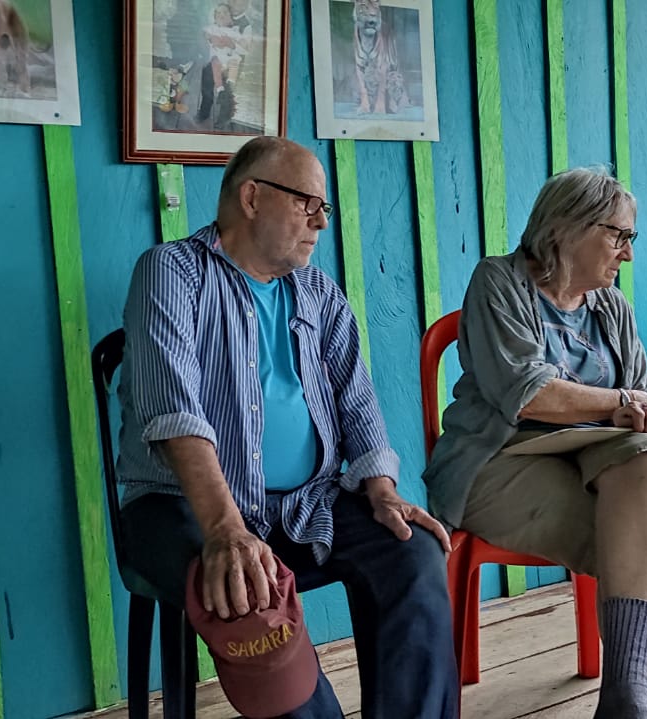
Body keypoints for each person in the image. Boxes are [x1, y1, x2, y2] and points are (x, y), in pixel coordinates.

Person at [114, 136, 459, 718]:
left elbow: (358, 405)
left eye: (325, 208)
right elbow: (173, 413)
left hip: (305, 503)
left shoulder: (319, 293)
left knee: (411, 550)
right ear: (252, 197)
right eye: (308, 204)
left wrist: (382, 491)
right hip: (183, 506)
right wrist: (226, 528)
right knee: (245, 587)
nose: (321, 222)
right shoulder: (172, 272)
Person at [424, 167, 647, 719]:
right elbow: (527, 393)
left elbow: (642, 395)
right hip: (497, 463)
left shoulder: (611, 307)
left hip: (589, 461)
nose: (627, 253)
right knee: (641, 543)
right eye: (619, 236)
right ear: (567, 228)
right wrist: (621, 401)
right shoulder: (498, 281)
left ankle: (629, 698)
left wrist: (641, 415)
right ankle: (641, 702)